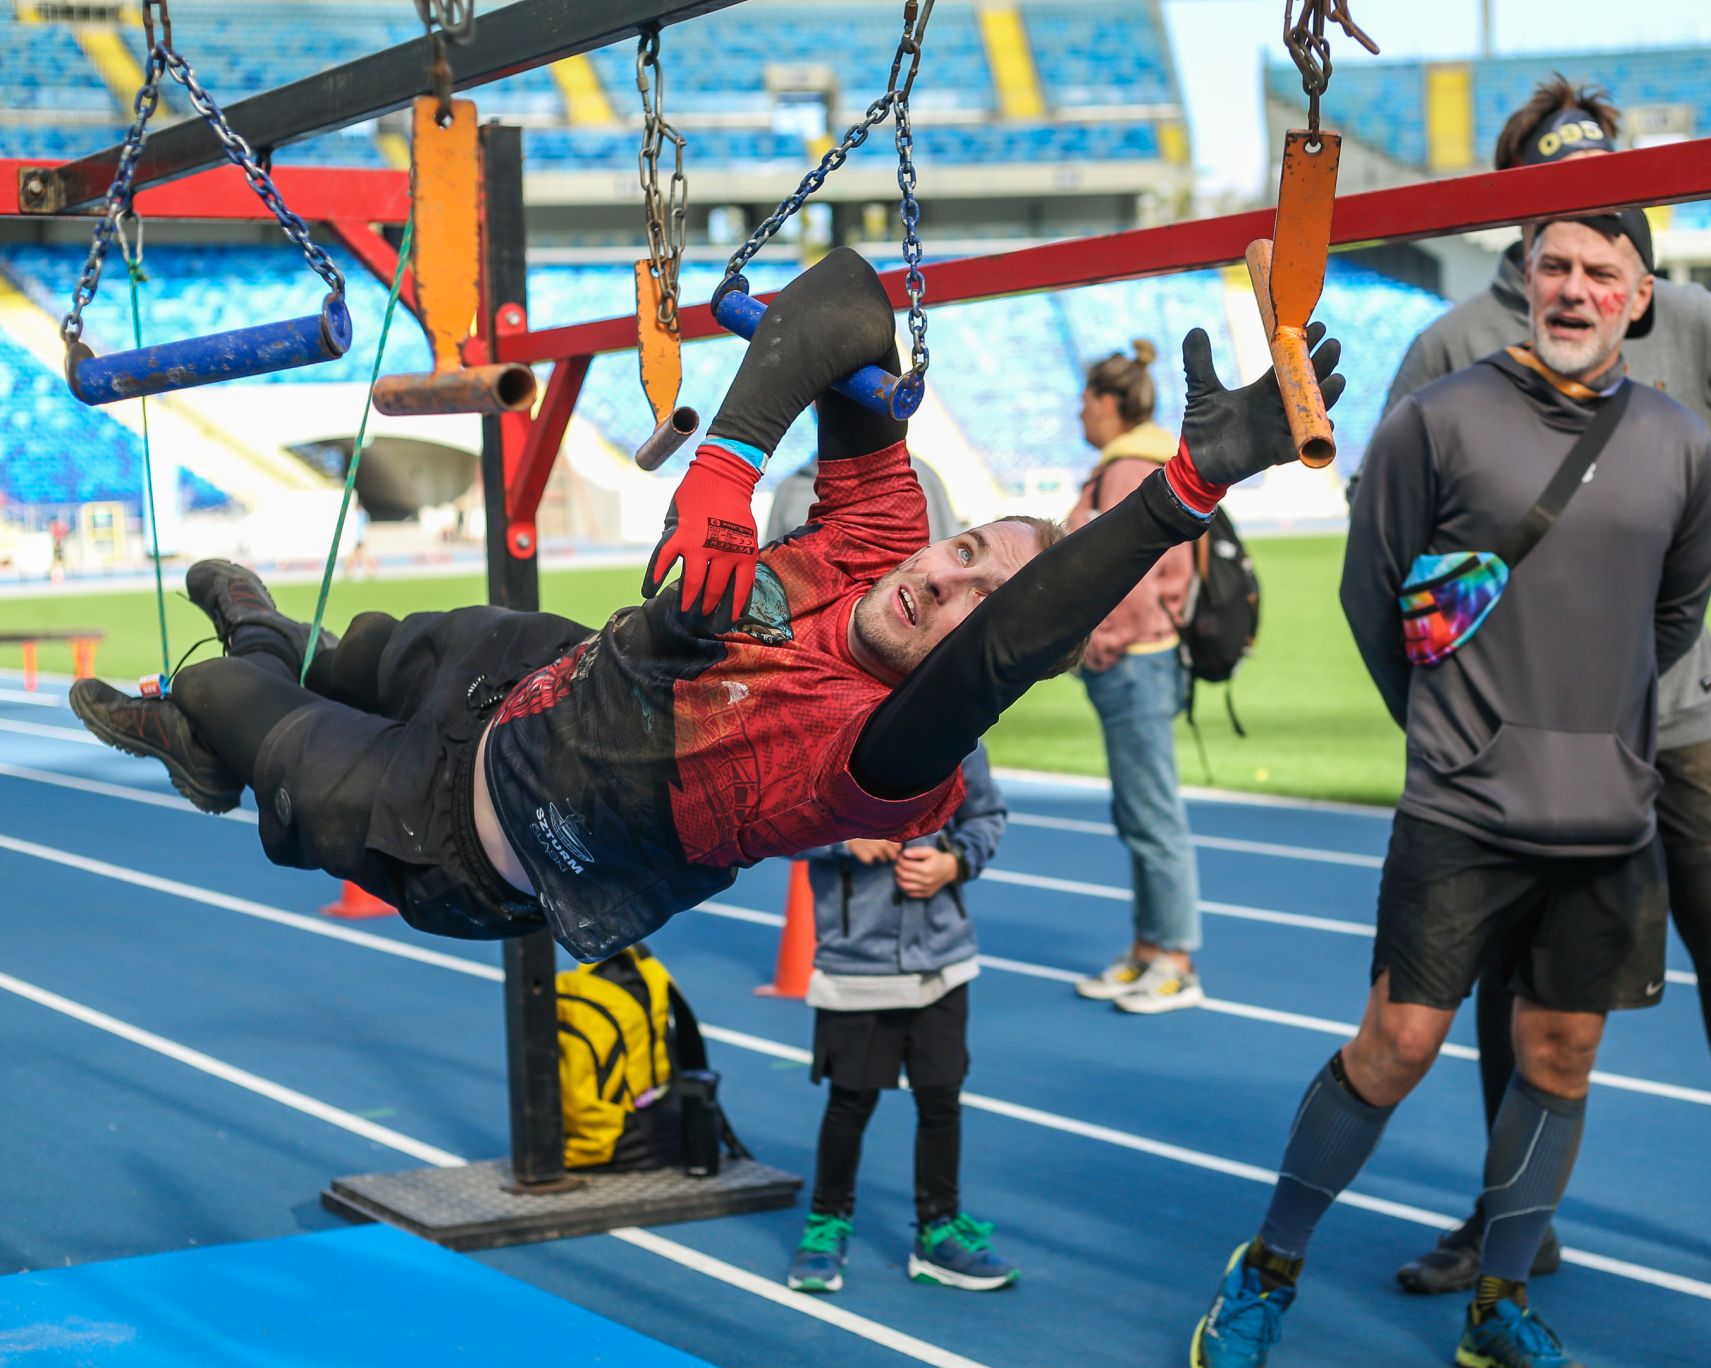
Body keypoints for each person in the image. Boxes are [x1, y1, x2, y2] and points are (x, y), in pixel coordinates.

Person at [69, 248, 1346, 963]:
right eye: (964, 547)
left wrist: (1180, 491)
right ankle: (271, 656)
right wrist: (726, 468)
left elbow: (1010, 645)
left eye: (971, 601)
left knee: (233, 698)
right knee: (369, 652)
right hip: (538, 679)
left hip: (471, 831)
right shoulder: (880, 535)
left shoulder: (889, 761)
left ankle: (219, 695)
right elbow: (849, 291)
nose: (937, 576)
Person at [1189, 209, 1711, 1368]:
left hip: (1609, 819)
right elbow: (1369, 591)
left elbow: (1674, 614)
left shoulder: (1678, 445)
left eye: (1600, 272)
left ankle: (1500, 1301)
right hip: (1462, 806)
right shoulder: (1437, 420)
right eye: (1555, 267)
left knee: (1561, 1055)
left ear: (1639, 295)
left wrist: (1600, 734)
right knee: (1399, 1047)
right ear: (1524, 281)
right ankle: (1266, 1268)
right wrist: (1452, 729)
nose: (1574, 289)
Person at [1382, 75, 1711, 1290]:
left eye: (1604, 174)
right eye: (1560, 185)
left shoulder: (1686, 317)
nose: (1590, 216)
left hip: (1674, 713)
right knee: (1510, 972)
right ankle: (1515, 1219)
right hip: (1519, 740)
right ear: (1514, 209)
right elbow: (1388, 536)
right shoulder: (1450, 346)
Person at [786, 741, 1017, 1294]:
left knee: (941, 1100)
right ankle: (826, 1223)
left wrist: (953, 863)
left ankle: (939, 1228)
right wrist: (845, 836)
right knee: (850, 1101)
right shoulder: (829, 723)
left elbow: (986, 815)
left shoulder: (961, 732)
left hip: (942, 961)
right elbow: (777, 822)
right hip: (856, 966)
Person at [1065, 341, 1206, 1014]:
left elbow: (1128, 568)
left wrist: (1104, 640)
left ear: (1108, 402)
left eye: (1086, 400)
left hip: (1135, 660)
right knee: (1139, 809)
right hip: (1149, 657)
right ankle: (1150, 949)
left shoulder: (1126, 470)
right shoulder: (1151, 462)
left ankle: (1175, 959)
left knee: (1150, 813)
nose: (1079, 413)